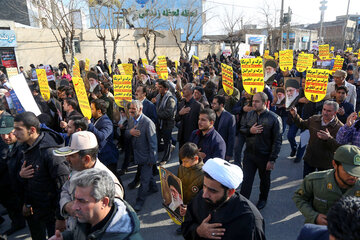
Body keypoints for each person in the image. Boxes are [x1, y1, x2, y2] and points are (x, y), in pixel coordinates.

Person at [15, 111, 70, 240]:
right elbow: (29, 179)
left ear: (32, 130)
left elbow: (63, 187)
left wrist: (61, 217)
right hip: (39, 209)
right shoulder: (25, 148)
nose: (14, 133)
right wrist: (27, 202)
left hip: (53, 214)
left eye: (18, 129)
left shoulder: (50, 153)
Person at [53, 131, 124, 230]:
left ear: (86, 159)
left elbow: (111, 223)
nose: (67, 159)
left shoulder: (109, 183)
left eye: (72, 156)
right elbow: (65, 189)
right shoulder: (77, 169)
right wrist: (66, 205)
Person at [181, 158, 265, 240]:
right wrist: (198, 231)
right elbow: (186, 227)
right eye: (204, 186)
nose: (205, 195)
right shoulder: (200, 197)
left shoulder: (250, 220)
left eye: (212, 191)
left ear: (230, 192)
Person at [49, 169, 142, 240]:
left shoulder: (125, 237)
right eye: (75, 199)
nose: (74, 207)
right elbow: (81, 233)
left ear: (104, 202)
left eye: (82, 201)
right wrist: (64, 237)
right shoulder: (88, 218)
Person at [293, 145, 360, 225]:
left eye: (357, 171)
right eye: (348, 171)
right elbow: (299, 197)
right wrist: (314, 216)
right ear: (334, 164)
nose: (353, 176)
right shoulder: (314, 181)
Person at [240, 92, 282, 210]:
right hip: (249, 154)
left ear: (265, 103)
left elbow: (277, 141)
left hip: (264, 156)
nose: (254, 103)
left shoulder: (274, 118)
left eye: (257, 101)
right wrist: (250, 131)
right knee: (246, 180)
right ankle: (243, 201)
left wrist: (272, 159)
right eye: (253, 101)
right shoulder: (249, 114)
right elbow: (242, 129)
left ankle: (263, 199)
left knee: (264, 180)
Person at [290, 100, 343, 177]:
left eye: (329, 111)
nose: (325, 112)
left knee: (322, 187)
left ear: (335, 112)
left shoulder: (340, 127)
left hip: (325, 163)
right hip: (310, 159)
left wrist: (328, 138)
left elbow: (340, 148)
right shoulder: (314, 119)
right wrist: (295, 115)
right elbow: (302, 124)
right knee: (307, 184)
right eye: (324, 109)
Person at [125, 100, 158, 211]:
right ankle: (153, 187)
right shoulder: (130, 120)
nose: (131, 111)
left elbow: (153, 143)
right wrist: (130, 132)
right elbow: (125, 133)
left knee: (144, 180)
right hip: (137, 156)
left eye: (133, 109)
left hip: (147, 157)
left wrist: (152, 159)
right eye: (130, 109)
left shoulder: (148, 123)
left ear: (140, 109)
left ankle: (140, 201)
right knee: (147, 175)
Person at [0, 115, 26, 236]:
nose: (5, 137)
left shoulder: (23, 146)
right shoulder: (4, 142)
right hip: (6, 184)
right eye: (2, 134)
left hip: (17, 186)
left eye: (9, 133)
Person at [88, 99, 119, 176]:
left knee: (113, 178)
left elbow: (102, 136)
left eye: (92, 109)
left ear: (99, 111)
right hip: (99, 156)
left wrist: (90, 126)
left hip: (108, 157)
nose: (90, 111)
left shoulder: (107, 122)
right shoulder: (93, 119)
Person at [176, 83, 203, 148]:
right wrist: (180, 113)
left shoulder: (198, 106)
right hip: (182, 138)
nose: (182, 91)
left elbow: (201, 123)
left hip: (193, 139)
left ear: (191, 91)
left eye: (185, 89)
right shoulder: (181, 104)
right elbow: (176, 119)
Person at [155, 80, 176, 165]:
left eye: (161, 87)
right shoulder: (158, 96)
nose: (159, 89)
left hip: (167, 124)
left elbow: (169, 113)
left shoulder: (170, 99)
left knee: (167, 141)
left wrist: (156, 114)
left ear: (166, 89)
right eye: (158, 87)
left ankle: (165, 158)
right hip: (159, 123)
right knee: (157, 139)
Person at [211, 95, 236, 161]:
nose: (212, 105)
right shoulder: (211, 115)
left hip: (222, 149)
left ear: (221, 105)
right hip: (211, 148)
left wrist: (229, 154)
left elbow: (231, 137)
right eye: (212, 103)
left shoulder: (230, 117)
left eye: (214, 103)